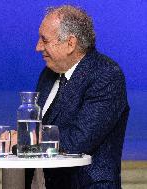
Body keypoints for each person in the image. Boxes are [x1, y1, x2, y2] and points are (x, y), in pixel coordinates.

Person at [27, 5, 129, 189]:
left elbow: (78, 141)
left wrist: (26, 137)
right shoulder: (47, 74)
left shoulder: (107, 75)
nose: (37, 47)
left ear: (70, 43)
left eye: (44, 40)